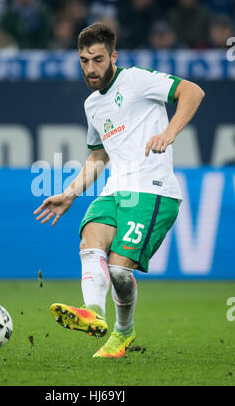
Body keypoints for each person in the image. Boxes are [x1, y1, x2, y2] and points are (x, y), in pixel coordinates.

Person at [34, 23, 205, 358]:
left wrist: (169, 132)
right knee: (90, 239)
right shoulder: (92, 106)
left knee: (118, 271)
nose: (91, 68)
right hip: (116, 189)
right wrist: (69, 193)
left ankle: (123, 332)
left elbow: (193, 92)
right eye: (84, 60)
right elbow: (99, 155)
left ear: (113, 56)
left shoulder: (137, 80)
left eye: (98, 59)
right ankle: (93, 313)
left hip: (153, 190)